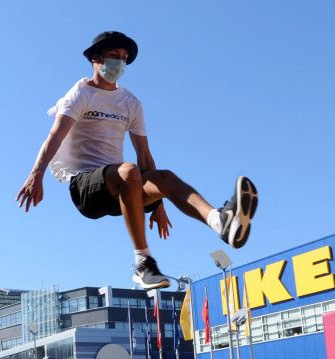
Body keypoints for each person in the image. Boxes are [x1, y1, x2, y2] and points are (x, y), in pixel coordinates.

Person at [16, 31, 258, 289]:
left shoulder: (130, 102)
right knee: (129, 170)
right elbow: (55, 135)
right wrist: (36, 175)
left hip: (123, 188)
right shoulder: (80, 94)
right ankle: (144, 263)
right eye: (113, 56)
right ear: (96, 59)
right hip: (86, 187)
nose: (119, 63)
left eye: (124, 58)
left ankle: (219, 221)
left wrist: (157, 204)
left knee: (163, 176)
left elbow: (144, 154)